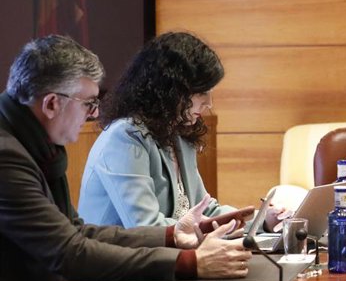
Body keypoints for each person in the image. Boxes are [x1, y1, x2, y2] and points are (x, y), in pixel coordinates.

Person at [0, 35, 250, 281]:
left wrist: (171, 236)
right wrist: (188, 262)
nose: (94, 115)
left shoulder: (39, 145)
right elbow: (68, 253)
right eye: (88, 104)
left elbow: (77, 232)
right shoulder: (7, 157)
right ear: (51, 104)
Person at [78, 32, 281, 229]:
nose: (209, 103)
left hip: (164, 249)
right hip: (126, 253)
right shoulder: (125, 136)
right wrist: (204, 230)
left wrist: (261, 220)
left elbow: (205, 210)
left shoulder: (177, 134)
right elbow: (145, 226)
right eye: (201, 92)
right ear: (169, 90)